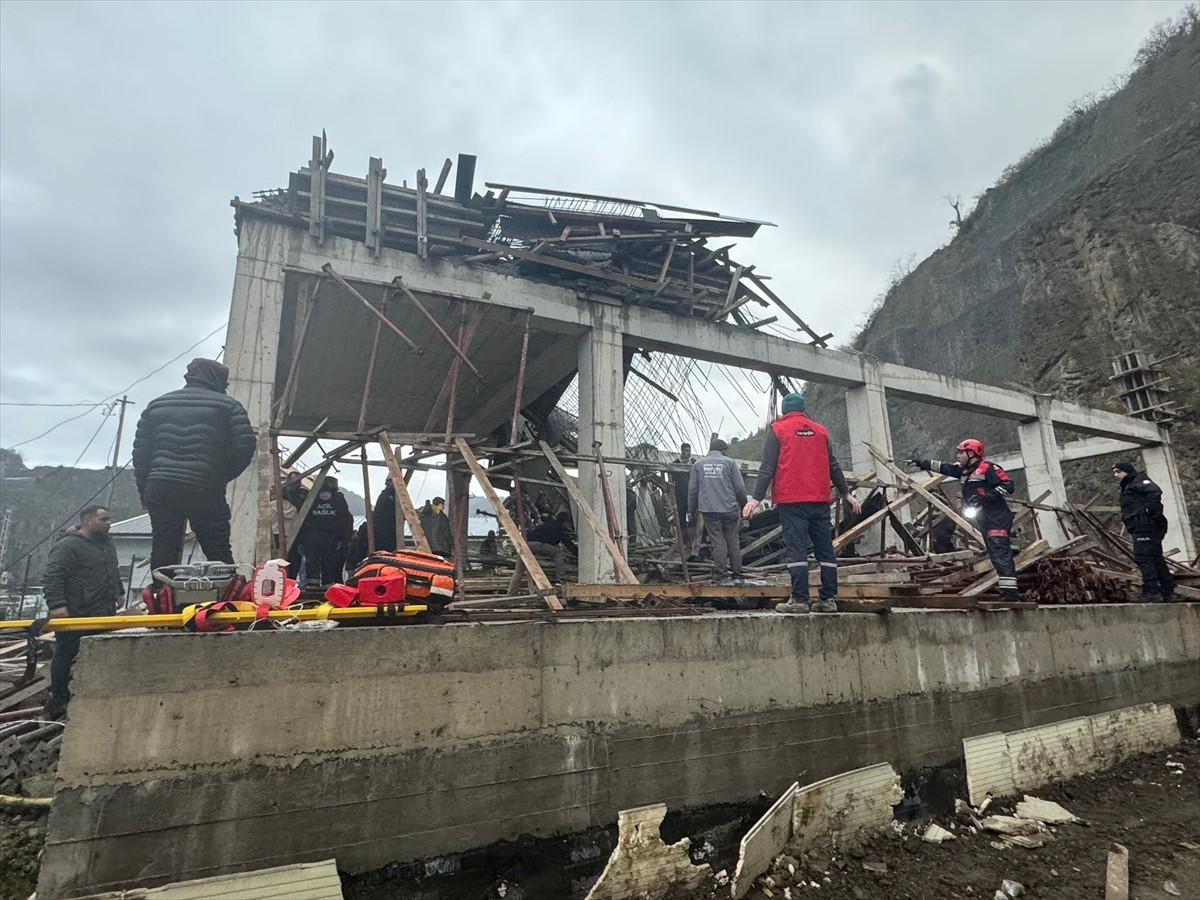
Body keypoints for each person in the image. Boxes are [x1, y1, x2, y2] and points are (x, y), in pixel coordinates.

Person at [132, 358, 256, 573]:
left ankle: (162, 598)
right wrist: (220, 475)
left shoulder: (157, 404)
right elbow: (244, 448)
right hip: (204, 487)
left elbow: (141, 455)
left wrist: (145, 492)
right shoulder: (229, 407)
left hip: (160, 487)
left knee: (163, 549)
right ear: (216, 380)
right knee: (217, 550)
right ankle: (226, 599)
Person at [742, 393, 862, 613]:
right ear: (803, 409)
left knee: (796, 549)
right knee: (825, 549)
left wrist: (756, 498)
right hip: (819, 500)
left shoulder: (778, 430)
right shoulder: (821, 431)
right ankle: (827, 600)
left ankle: (799, 600)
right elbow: (833, 465)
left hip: (792, 501)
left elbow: (767, 468)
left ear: (784, 410)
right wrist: (846, 494)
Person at [908, 438, 1019, 598]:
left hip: (997, 517)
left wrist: (987, 497)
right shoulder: (964, 472)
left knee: (1000, 552)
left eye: (961, 452)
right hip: (985, 518)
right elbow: (944, 467)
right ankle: (1007, 591)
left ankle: (1010, 593)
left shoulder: (988, 468)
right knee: (995, 553)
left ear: (971, 453)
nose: (958, 455)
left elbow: (1008, 486)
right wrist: (921, 463)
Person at [41, 506, 123, 720]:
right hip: (77, 612)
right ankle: (59, 699)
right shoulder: (68, 545)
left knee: (100, 652)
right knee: (66, 653)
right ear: (86, 520)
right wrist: (57, 605)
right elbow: (52, 576)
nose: (109, 523)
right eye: (104, 519)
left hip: (103, 611)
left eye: (109, 519)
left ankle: (92, 694)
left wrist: (119, 591)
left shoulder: (107, 544)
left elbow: (112, 569)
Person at [1112, 461, 1176, 602]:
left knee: (1144, 558)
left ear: (1127, 471)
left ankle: (1152, 592)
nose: (1115, 475)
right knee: (1156, 558)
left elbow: (1154, 491)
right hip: (1142, 527)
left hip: (1145, 527)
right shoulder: (1129, 485)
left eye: (1118, 472)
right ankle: (1168, 592)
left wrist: (1149, 512)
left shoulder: (1138, 481)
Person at [689, 438, 748, 583]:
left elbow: (692, 490)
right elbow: (740, 488)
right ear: (723, 451)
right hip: (730, 509)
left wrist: (691, 509)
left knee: (718, 541)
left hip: (709, 510)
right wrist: (744, 506)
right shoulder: (730, 463)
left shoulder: (698, 464)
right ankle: (737, 573)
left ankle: (721, 574)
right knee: (733, 541)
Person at [292, 476, 354, 586]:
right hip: (330, 537)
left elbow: (302, 517)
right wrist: (341, 539)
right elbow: (343, 519)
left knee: (312, 561)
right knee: (328, 561)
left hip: (311, 536)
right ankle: (328, 585)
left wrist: (300, 540)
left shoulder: (311, 496)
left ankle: (312, 585)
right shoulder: (338, 498)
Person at [526, 511, 577, 582]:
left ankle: (512, 591)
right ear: (566, 522)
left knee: (519, 571)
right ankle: (561, 577)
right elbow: (568, 543)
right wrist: (578, 554)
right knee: (558, 553)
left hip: (525, 543)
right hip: (536, 544)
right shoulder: (559, 528)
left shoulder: (550, 524)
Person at [670, 443, 694, 533]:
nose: (688, 453)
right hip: (680, 493)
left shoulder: (694, 462)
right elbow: (672, 478)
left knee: (694, 512)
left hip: (692, 492)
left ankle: (693, 532)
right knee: (681, 514)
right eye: (686, 451)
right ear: (682, 451)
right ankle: (684, 536)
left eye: (689, 451)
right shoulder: (675, 463)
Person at [372, 477, 398, 553]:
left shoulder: (392, 494)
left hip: (389, 528)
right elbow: (379, 512)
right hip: (385, 529)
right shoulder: (386, 494)